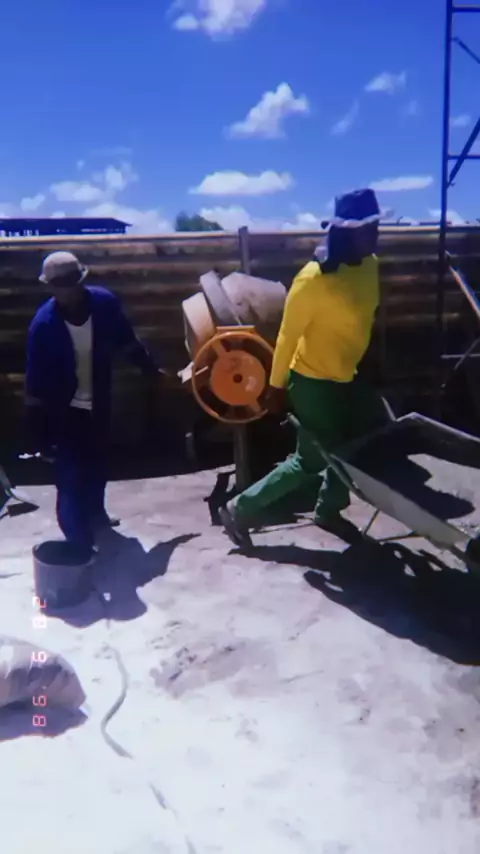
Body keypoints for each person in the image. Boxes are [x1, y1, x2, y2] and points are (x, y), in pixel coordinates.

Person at [220, 188, 388, 549]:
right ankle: (239, 508)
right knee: (311, 459)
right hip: (313, 381)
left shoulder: (370, 265)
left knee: (352, 447)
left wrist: (369, 357)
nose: (376, 235)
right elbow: (287, 336)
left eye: (377, 226)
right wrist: (276, 386)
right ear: (346, 232)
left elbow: (366, 317)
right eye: (368, 229)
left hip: (348, 374)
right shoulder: (313, 280)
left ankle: (328, 510)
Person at [25, 251, 176, 557]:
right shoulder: (43, 326)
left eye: (72, 284)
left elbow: (128, 343)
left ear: (81, 280)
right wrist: (40, 436)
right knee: (69, 478)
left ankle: (96, 518)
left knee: (96, 467)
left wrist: (151, 371)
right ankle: (79, 546)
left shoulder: (104, 305)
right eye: (60, 286)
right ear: (50, 288)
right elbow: (35, 386)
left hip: (98, 402)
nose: (67, 292)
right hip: (63, 411)